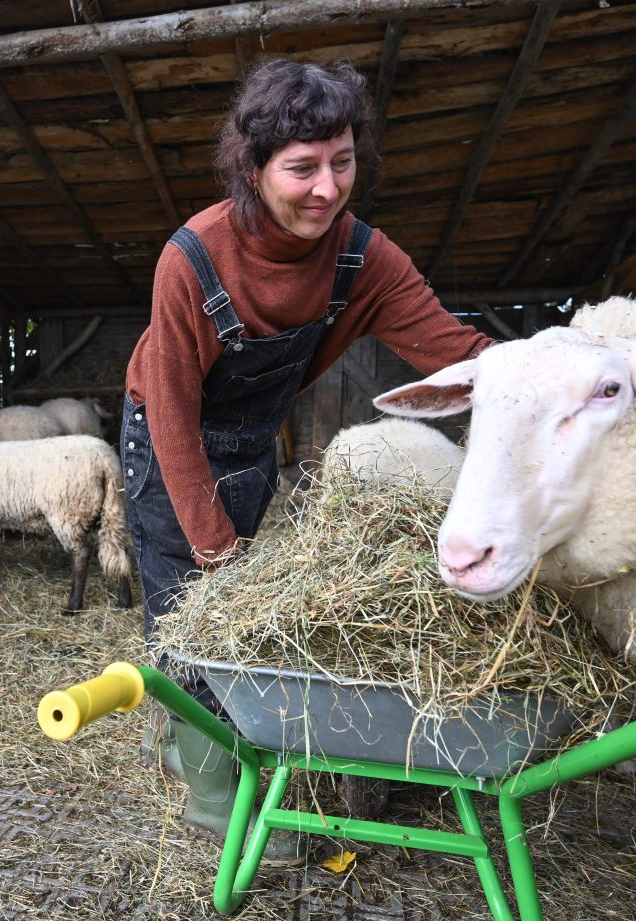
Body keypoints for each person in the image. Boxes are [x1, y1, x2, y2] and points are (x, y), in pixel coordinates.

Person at [119, 58, 494, 857]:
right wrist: (215, 549)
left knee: (232, 620)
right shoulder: (192, 259)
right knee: (189, 618)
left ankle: (186, 739)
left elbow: (461, 353)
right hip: (168, 437)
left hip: (252, 440)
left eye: (343, 161)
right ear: (253, 170)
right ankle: (213, 802)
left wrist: (571, 371)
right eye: (302, 168)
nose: (328, 188)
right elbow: (175, 421)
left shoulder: (361, 257)